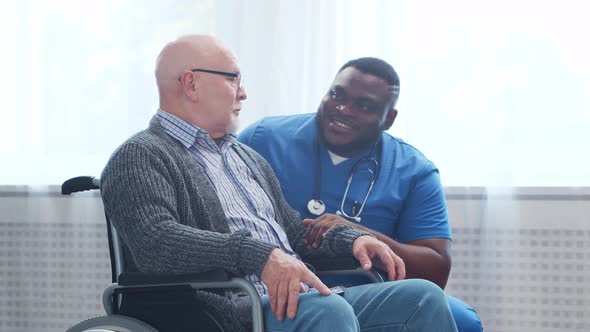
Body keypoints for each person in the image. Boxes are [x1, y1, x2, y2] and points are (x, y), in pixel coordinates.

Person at [100, 35, 458, 332]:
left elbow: (293, 232)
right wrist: (260, 256)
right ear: (191, 82)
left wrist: (357, 239)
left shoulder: (245, 157)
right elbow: (156, 242)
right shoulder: (141, 155)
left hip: (296, 299)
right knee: (328, 311)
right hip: (227, 307)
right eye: (233, 79)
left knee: (422, 297)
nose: (243, 94)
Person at [238, 57, 483, 332]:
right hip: (280, 285)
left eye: (364, 106)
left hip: (365, 289)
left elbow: (435, 270)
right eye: (336, 95)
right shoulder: (262, 139)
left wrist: (359, 233)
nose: (343, 110)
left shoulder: (413, 169)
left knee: (462, 320)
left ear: (388, 119)